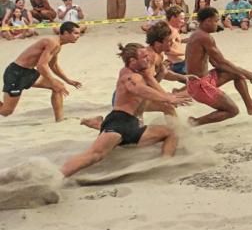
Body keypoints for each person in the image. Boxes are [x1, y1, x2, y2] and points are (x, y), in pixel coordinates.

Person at [60, 43, 191, 177]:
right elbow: (138, 88)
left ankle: (165, 164)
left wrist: (169, 77)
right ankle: (57, 176)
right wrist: (167, 98)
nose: (148, 59)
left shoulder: (139, 71)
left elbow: (148, 85)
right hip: (120, 123)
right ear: (133, 61)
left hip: (131, 125)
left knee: (171, 132)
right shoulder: (130, 76)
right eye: (144, 57)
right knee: (95, 155)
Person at [185, 7, 252, 126]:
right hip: (199, 86)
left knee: (236, 74)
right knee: (233, 110)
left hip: (204, 79)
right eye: (215, 21)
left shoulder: (200, 35)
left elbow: (216, 63)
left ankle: (251, 106)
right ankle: (194, 122)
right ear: (207, 21)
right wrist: (246, 73)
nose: (217, 24)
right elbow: (222, 62)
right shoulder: (203, 37)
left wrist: (240, 72)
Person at [0, 21, 81, 121]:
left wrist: (68, 80)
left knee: (58, 87)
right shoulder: (52, 42)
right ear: (65, 33)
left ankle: (60, 120)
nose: (78, 36)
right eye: (76, 33)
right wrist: (53, 81)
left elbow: (53, 65)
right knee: (6, 111)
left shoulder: (58, 46)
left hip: (28, 73)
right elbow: (41, 66)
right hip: (16, 73)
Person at [165, 6, 188, 75]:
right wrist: (186, 53)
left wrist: (185, 40)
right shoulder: (170, 31)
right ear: (173, 18)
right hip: (178, 65)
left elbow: (174, 43)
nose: (183, 21)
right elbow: (167, 50)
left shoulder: (173, 29)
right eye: (181, 19)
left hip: (180, 63)